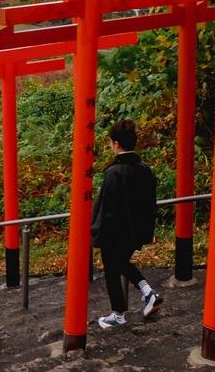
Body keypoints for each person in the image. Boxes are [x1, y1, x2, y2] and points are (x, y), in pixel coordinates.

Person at [91, 119, 161, 329]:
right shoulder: (144, 169)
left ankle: (123, 311)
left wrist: (97, 232)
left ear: (115, 143)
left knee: (113, 268)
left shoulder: (113, 172)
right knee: (119, 264)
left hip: (115, 230)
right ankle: (143, 295)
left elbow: (109, 208)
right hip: (138, 229)